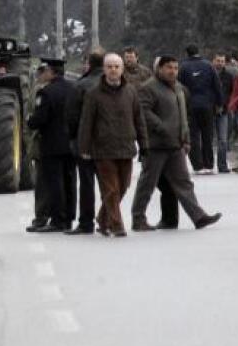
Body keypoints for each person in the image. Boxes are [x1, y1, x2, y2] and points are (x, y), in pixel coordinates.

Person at [131, 56, 221, 230]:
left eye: (175, 68)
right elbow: (143, 111)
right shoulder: (148, 88)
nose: (172, 71)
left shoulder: (179, 88)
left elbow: (184, 116)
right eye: (168, 68)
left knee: (184, 182)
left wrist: (186, 139)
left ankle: (198, 217)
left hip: (176, 145)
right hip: (156, 145)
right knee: (147, 184)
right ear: (160, 69)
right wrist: (161, 126)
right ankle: (138, 218)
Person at [77, 52, 148, 237]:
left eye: (117, 67)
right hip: (103, 149)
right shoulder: (94, 94)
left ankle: (102, 218)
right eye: (109, 67)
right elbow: (86, 122)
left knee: (123, 186)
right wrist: (84, 148)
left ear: (122, 69)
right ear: (104, 69)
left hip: (126, 147)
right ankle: (117, 225)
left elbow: (139, 119)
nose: (113, 70)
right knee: (111, 189)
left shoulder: (131, 91)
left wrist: (144, 145)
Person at [26, 59, 76, 233]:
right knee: (69, 182)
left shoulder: (46, 92)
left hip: (52, 145)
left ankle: (57, 220)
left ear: (51, 72)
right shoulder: (73, 89)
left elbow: (39, 119)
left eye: (44, 70)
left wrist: (29, 121)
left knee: (54, 183)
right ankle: (69, 218)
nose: (42, 74)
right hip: (71, 143)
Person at [64, 48, 105, 235]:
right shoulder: (113, 83)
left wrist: (74, 137)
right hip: (108, 141)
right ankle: (109, 219)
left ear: (88, 63)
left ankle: (86, 222)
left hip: (85, 142)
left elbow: (71, 116)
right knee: (109, 184)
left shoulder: (81, 85)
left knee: (87, 184)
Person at [178, 44, 225, 174]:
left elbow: (179, 87)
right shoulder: (208, 65)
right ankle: (209, 165)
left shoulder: (183, 67)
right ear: (199, 52)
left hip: (190, 106)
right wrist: (219, 103)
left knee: (193, 136)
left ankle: (197, 166)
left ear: (186, 53)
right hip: (207, 105)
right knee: (207, 135)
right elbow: (217, 85)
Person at [213, 52, 233, 173]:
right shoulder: (208, 73)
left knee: (223, 139)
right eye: (218, 61)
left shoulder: (229, 76)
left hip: (224, 111)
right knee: (207, 138)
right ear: (213, 61)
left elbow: (231, 92)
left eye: (222, 61)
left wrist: (225, 105)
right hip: (209, 110)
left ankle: (222, 165)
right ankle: (207, 164)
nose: (220, 63)